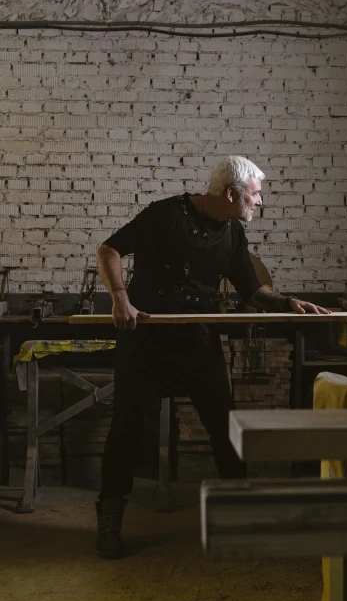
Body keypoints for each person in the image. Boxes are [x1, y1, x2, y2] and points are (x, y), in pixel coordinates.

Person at [95, 155, 330, 558]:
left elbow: (252, 290)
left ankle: (241, 517)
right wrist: (121, 299)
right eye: (255, 195)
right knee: (126, 431)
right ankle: (109, 523)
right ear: (231, 193)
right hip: (146, 340)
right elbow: (109, 249)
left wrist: (288, 302)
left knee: (225, 427)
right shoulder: (166, 214)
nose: (259, 202)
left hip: (198, 343)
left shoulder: (233, 234)